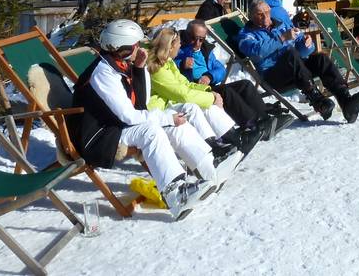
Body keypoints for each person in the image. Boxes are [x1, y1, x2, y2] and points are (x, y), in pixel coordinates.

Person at [67, 19, 220, 219]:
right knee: (152, 131)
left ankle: (208, 170)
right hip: (98, 137)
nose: (139, 48)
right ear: (124, 47)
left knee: (173, 123)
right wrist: (166, 118)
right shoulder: (103, 73)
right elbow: (129, 115)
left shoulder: (119, 65)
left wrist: (140, 69)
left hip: (115, 126)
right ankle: (176, 194)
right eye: (136, 44)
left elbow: (142, 103)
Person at [236, 0, 359, 123]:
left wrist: (307, 44)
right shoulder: (246, 34)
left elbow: (302, 47)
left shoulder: (281, 24)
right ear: (251, 16)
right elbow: (256, 52)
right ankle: (318, 101)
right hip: (273, 76)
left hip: (296, 69)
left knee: (321, 59)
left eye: (267, 12)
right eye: (259, 14)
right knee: (290, 54)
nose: (265, 17)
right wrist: (281, 38)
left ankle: (346, 101)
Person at [148, 29, 263, 157]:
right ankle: (214, 146)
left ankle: (234, 137)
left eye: (201, 39)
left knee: (213, 100)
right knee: (194, 107)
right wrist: (211, 97)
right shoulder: (158, 67)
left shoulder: (169, 63)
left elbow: (187, 84)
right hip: (162, 108)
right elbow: (182, 94)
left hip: (180, 97)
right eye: (179, 43)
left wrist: (209, 89)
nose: (180, 45)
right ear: (170, 47)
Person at [177, 20, 290, 135]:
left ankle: (265, 119)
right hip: (194, 89)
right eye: (194, 38)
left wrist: (209, 76)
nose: (197, 43)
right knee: (226, 91)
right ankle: (251, 125)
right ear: (187, 34)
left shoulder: (205, 49)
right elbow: (168, 65)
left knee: (245, 84)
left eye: (201, 39)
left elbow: (220, 69)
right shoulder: (177, 48)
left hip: (209, 85)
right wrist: (181, 64)